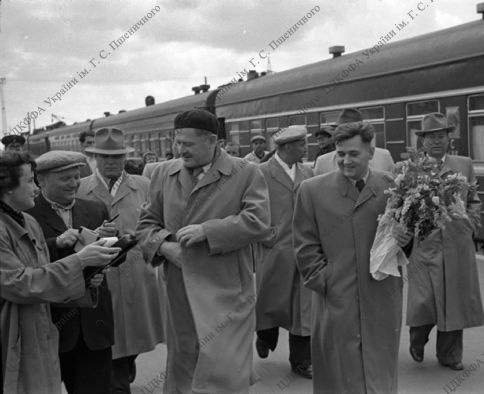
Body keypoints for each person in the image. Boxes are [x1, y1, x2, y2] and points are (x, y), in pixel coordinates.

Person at [136, 109, 270, 393]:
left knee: (224, 369)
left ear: (212, 141)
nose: (179, 150)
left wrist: (208, 231)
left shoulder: (246, 172)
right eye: (177, 142)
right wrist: (164, 246)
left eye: (187, 143)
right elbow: (146, 224)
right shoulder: (163, 173)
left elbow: (258, 222)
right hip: (180, 290)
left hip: (228, 289)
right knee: (184, 361)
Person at [293, 121, 406, 394]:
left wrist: (407, 240)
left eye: (353, 154)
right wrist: (326, 281)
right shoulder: (311, 190)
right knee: (338, 371)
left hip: (381, 295)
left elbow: (407, 239)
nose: (345, 160)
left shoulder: (392, 187)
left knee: (379, 368)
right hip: (335, 297)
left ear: (371, 151)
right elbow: (304, 247)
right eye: (340, 153)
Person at [1, 151, 120, 394]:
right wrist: (79, 261)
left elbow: (43, 274)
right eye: (29, 181)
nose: (35, 189)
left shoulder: (27, 222)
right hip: (13, 337)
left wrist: (87, 283)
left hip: (39, 333)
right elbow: (17, 283)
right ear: (7, 187)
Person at [79, 128, 165, 393]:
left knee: (135, 336)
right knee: (109, 341)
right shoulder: (81, 189)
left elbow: (159, 225)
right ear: (94, 157)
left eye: (116, 156)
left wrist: (135, 238)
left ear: (125, 157)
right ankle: (118, 376)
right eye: (104, 157)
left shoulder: (144, 186)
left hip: (137, 273)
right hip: (101, 277)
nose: (111, 162)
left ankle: (127, 363)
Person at [405, 112, 484, 371]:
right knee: (424, 300)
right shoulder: (412, 168)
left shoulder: (464, 164)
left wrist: (470, 223)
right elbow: (402, 204)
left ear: (449, 138)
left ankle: (450, 355)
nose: (436, 142)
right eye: (430, 137)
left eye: (441, 136)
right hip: (425, 243)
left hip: (457, 243)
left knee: (455, 300)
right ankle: (418, 337)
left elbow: (473, 198)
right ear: (422, 142)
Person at [255, 126, 313, 379]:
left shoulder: (308, 172)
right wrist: (268, 234)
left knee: (304, 307)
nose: (306, 147)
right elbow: (250, 208)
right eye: (301, 144)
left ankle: (301, 360)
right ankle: (265, 336)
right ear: (286, 146)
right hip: (274, 249)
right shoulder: (260, 173)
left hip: (303, 248)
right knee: (271, 299)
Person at [313, 108, 394, 175]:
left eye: (354, 154)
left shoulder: (384, 157)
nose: (347, 161)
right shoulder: (323, 162)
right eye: (342, 130)